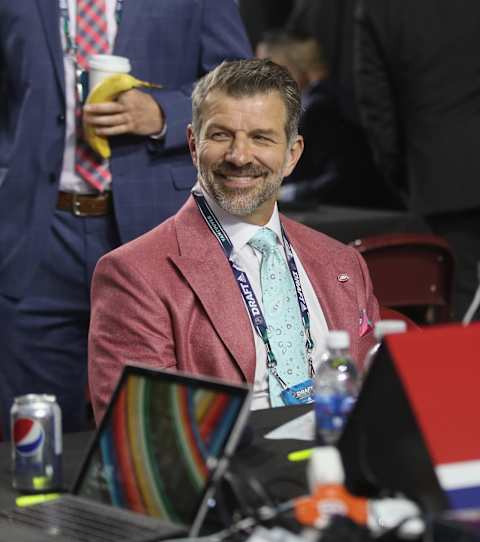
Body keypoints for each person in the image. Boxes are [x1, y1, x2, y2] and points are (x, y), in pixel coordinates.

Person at [0, 0, 251, 435]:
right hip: (35, 235)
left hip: (152, 230)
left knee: (152, 433)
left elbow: (241, 84)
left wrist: (164, 114)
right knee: (33, 436)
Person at [89, 58, 380, 422]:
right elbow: (146, 440)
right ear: (193, 145)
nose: (239, 156)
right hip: (232, 474)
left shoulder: (343, 263)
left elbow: (375, 404)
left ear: (292, 155)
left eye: (261, 137)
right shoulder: (135, 275)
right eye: (221, 135)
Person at [354, 0, 480, 321]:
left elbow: (376, 106)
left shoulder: (381, 8)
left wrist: (402, 174)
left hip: (440, 175)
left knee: (457, 298)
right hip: (441, 175)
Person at [256, 30, 401, 209]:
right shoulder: (326, 101)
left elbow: (343, 175)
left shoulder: (321, 108)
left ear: (289, 68)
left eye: (268, 69)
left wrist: (288, 193)